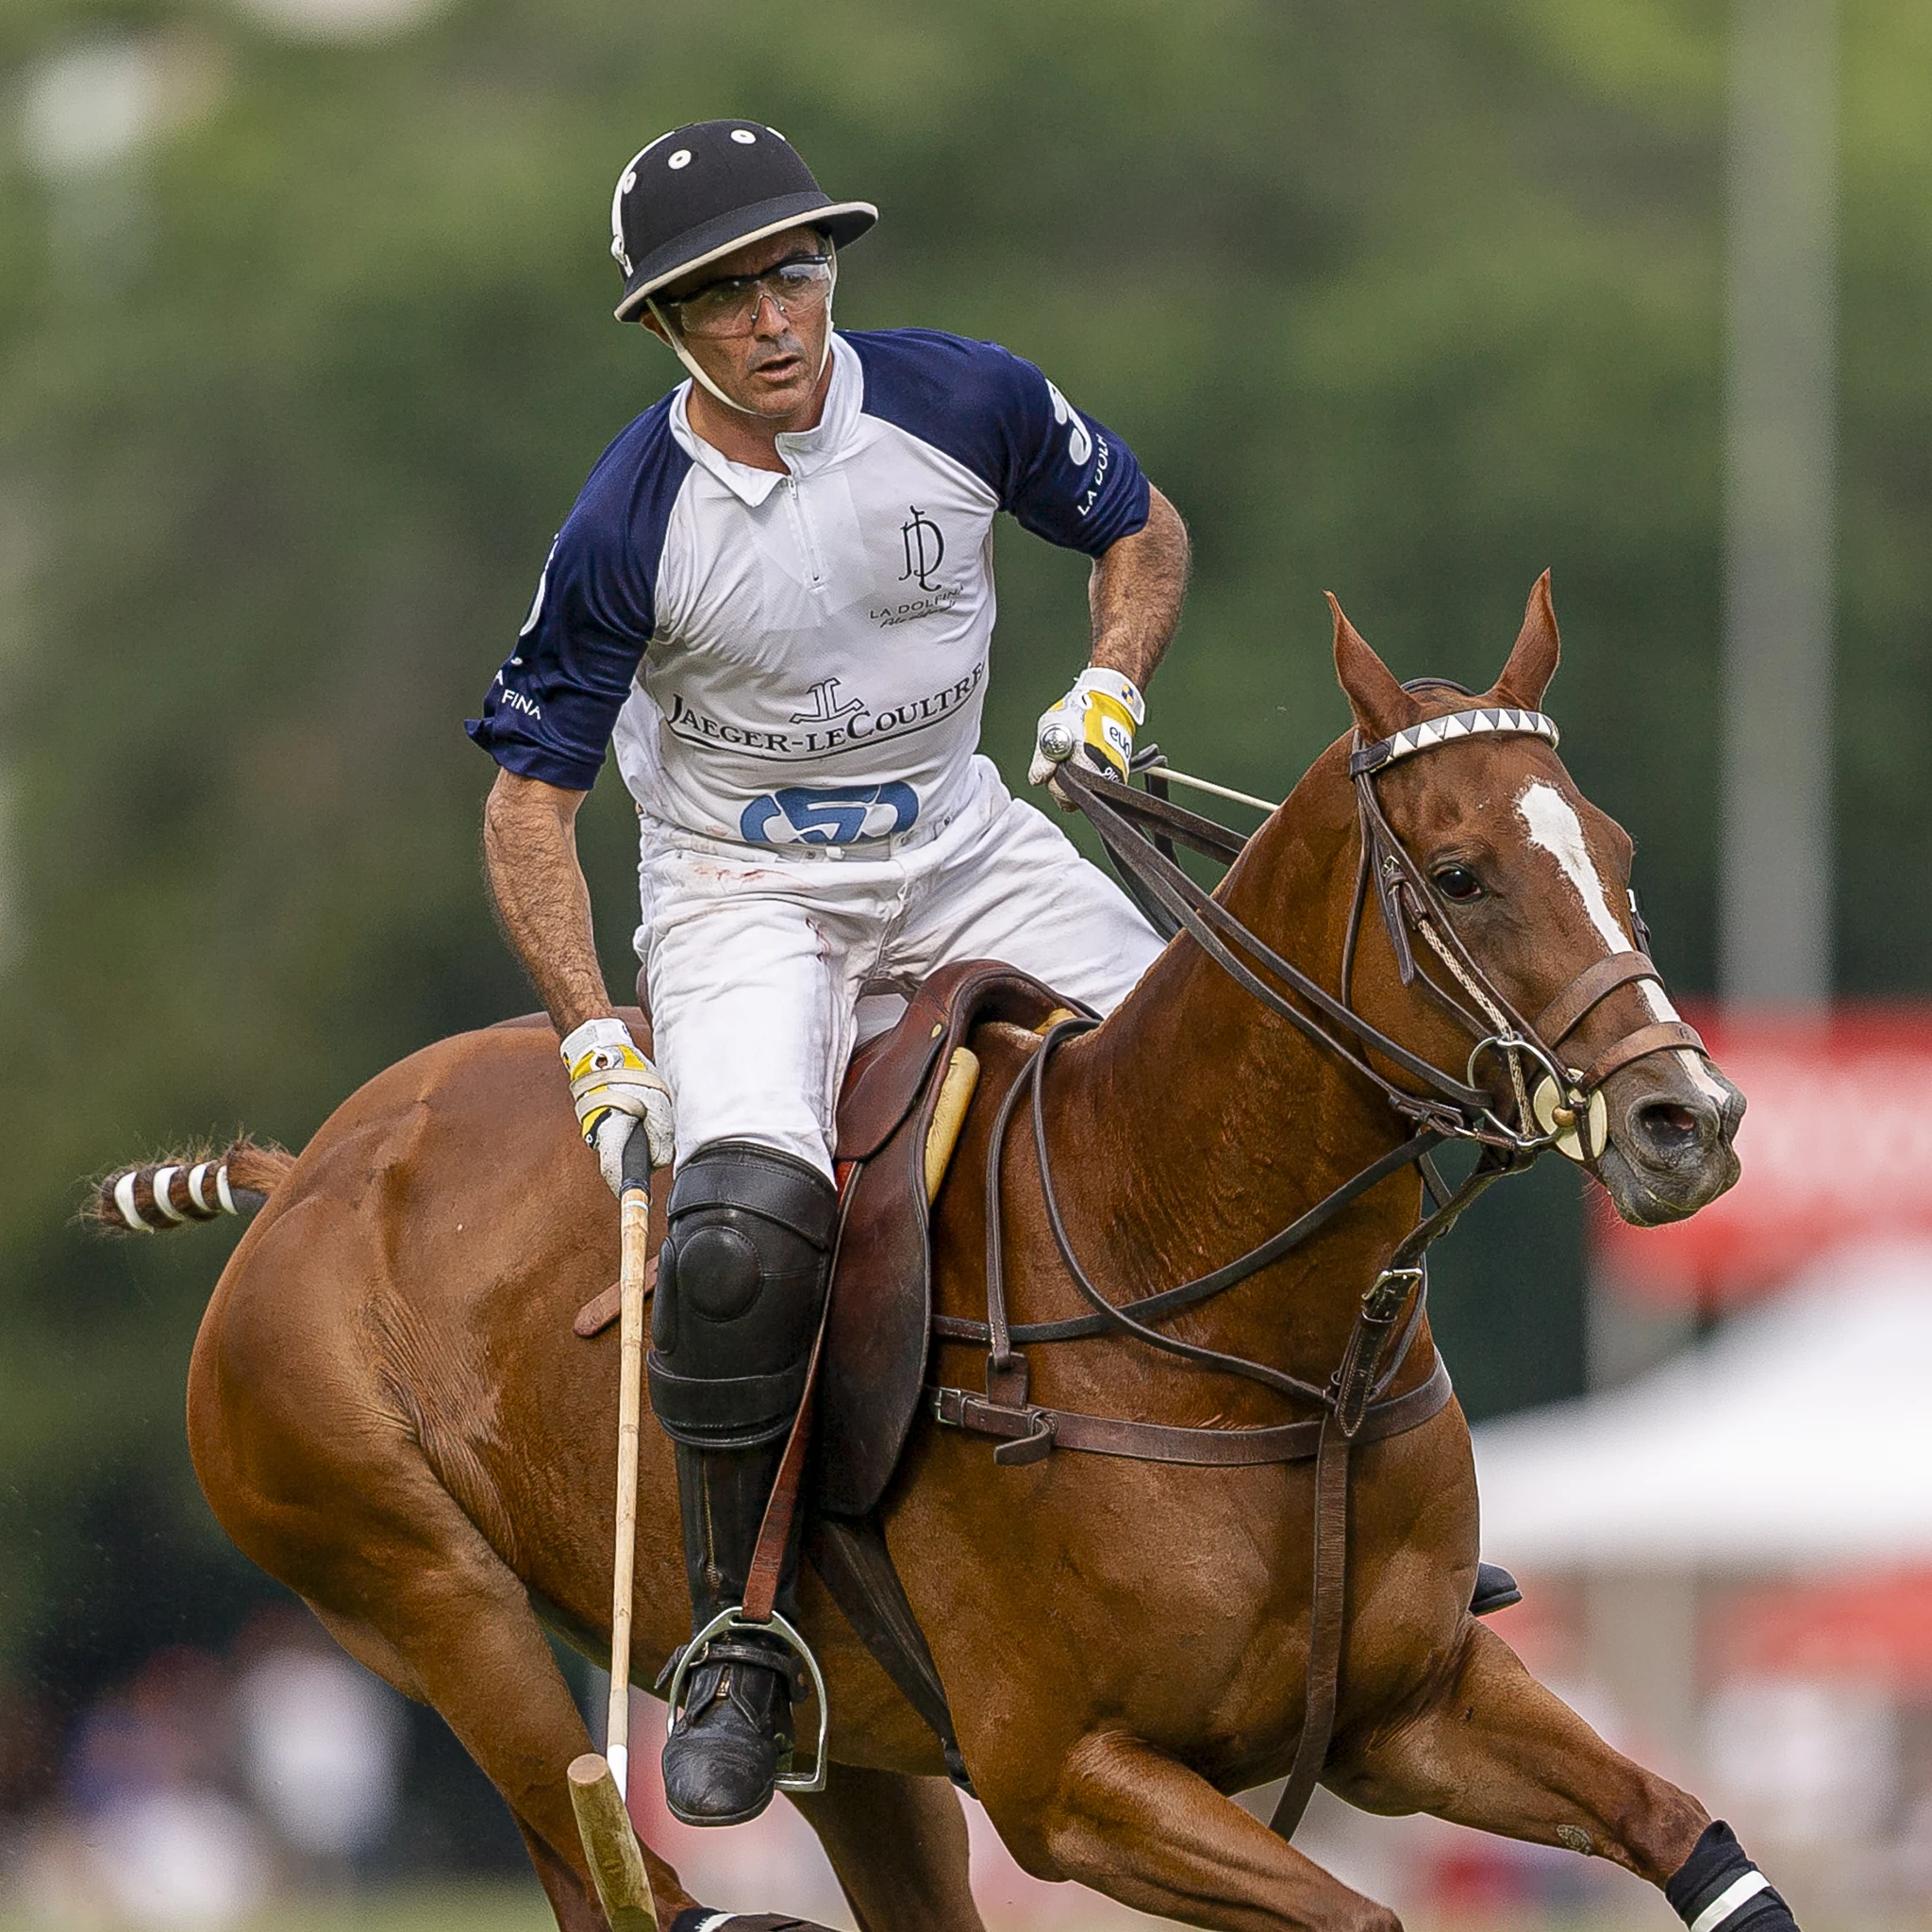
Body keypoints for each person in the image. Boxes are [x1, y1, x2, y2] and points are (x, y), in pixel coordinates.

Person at [467, 120, 1190, 1826]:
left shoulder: (966, 399)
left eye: (795, 272)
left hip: (965, 841)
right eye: (724, 298)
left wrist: (1113, 683)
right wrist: (591, 1035)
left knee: (1211, 1078)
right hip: (744, 893)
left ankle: (1372, 1505)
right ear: (666, 329)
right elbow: (526, 805)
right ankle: (740, 1641)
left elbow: (1141, 533)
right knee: (735, 1233)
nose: (775, 319)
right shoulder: (626, 525)